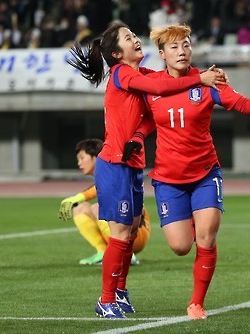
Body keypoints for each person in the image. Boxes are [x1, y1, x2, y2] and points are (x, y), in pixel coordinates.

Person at [67, 21, 226, 319]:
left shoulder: (139, 74)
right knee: (120, 233)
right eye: (128, 38)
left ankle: (121, 292)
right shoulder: (123, 74)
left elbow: (161, 101)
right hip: (114, 163)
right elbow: (162, 86)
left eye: (133, 35)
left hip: (132, 163)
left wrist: (204, 77)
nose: (135, 39)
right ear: (117, 53)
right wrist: (200, 79)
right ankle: (106, 300)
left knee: (129, 232)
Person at [145, 24, 250, 320]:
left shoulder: (209, 81)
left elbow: (242, 105)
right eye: (174, 47)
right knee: (181, 246)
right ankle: (193, 222)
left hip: (206, 173)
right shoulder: (151, 86)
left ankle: (196, 302)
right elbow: (143, 120)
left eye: (186, 44)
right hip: (168, 179)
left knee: (207, 236)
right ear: (161, 54)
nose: (182, 51)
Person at [57, 138, 150, 267]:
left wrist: (75, 198)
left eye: (82, 158)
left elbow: (98, 189)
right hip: (123, 228)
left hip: (136, 232)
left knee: (98, 208)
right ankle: (102, 253)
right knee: (80, 209)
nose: (79, 163)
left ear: (96, 157)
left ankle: (126, 253)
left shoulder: (115, 170)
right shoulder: (105, 175)